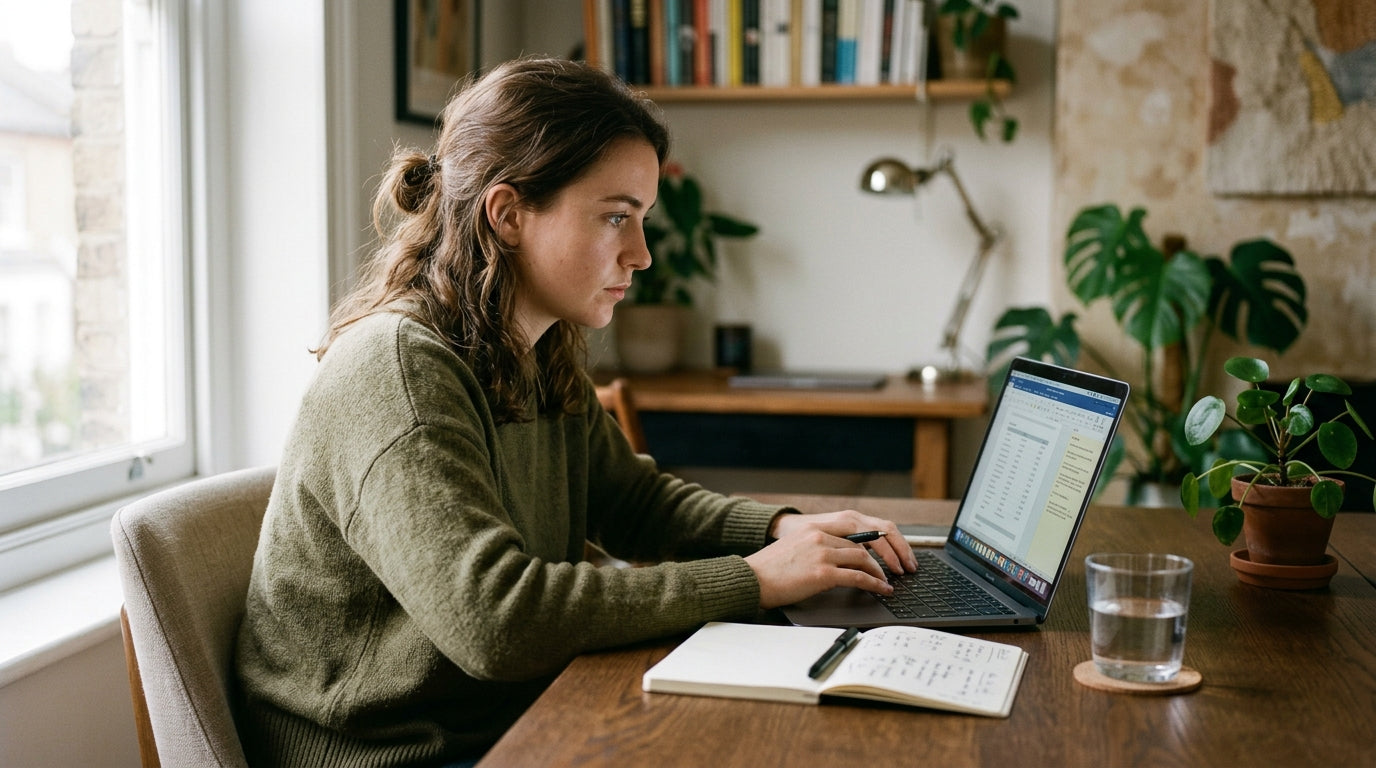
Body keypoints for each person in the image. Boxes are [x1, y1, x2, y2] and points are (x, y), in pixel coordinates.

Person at [233, 56, 917, 767]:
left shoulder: (530, 346)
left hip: (507, 714)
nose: (642, 254)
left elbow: (632, 501)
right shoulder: (399, 369)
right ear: (507, 215)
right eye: (616, 217)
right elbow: (495, 622)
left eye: (642, 219)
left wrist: (782, 530)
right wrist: (757, 578)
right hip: (391, 750)